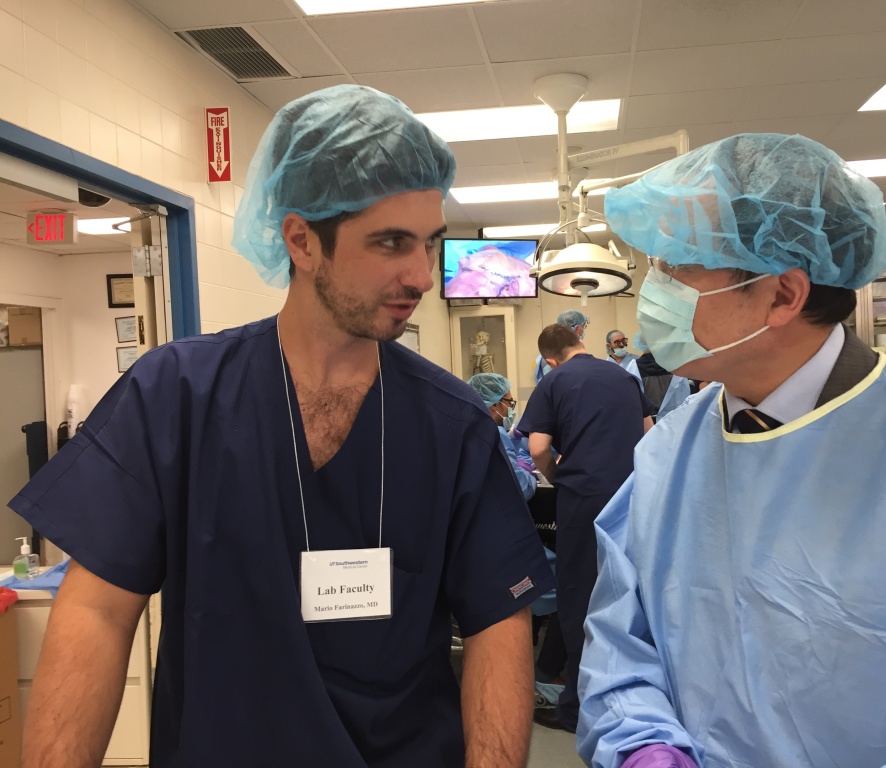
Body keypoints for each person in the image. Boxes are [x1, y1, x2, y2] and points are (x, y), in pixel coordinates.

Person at [10, 84, 554, 768]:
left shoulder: (452, 426)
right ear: (302, 240)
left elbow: (496, 626)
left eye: (429, 244)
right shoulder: (175, 397)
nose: (420, 274)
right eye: (390, 243)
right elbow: (96, 612)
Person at [577, 133, 886, 768]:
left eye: (678, 264)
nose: (656, 286)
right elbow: (621, 643)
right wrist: (644, 744)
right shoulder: (669, 452)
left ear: (784, 295)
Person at [518, 323, 653, 735]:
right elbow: (650, 435)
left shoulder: (555, 381)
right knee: (631, 592)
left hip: (582, 499)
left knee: (580, 596)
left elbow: (537, 448)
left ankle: (579, 707)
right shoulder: (624, 376)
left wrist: (559, 476)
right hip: (632, 499)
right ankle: (630, 695)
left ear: (549, 359)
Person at [467, 372, 535, 501]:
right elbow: (520, 490)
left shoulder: (465, 431)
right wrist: (527, 472)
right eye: (510, 402)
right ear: (494, 404)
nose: (511, 408)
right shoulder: (496, 435)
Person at [623, 332, 675, 416]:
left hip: (645, 420)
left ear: (640, 344)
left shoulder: (634, 367)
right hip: (671, 419)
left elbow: (629, 398)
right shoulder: (672, 366)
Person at [533, 309, 588, 383]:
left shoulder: (554, 351)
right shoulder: (554, 356)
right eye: (583, 327)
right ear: (577, 329)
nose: (583, 330)